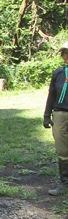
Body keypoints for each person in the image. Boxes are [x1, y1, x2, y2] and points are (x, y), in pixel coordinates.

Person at [44, 42, 68, 195]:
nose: (66, 56)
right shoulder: (58, 73)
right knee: (62, 150)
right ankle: (65, 182)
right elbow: (52, 94)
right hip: (60, 114)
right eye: (64, 53)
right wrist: (47, 115)